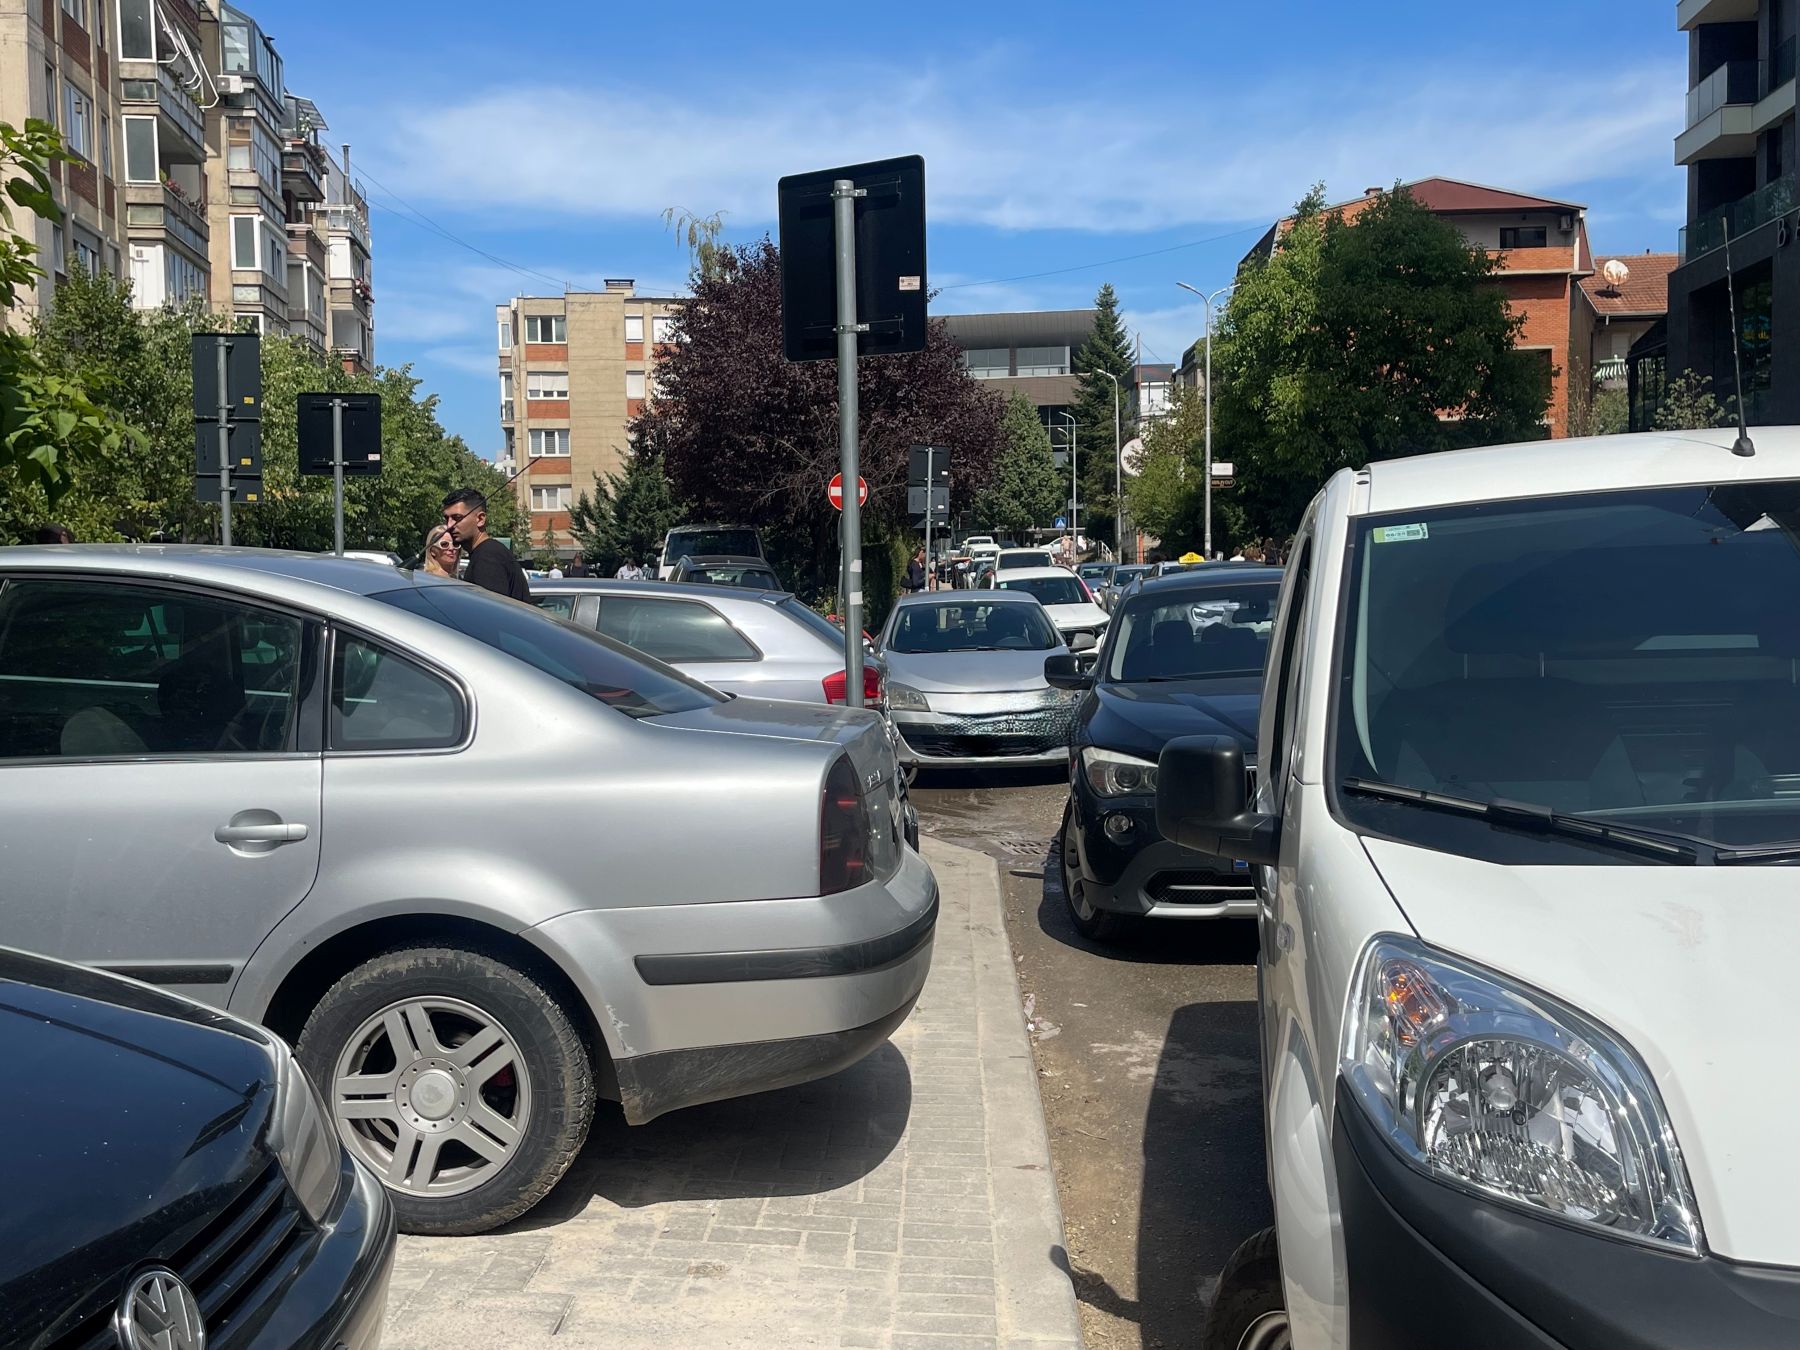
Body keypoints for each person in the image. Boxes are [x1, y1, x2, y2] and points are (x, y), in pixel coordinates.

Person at [441, 487, 529, 601]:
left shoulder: (488, 557)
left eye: (457, 518)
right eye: (446, 519)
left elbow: (491, 609)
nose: (449, 525)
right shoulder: (485, 553)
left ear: (480, 519)